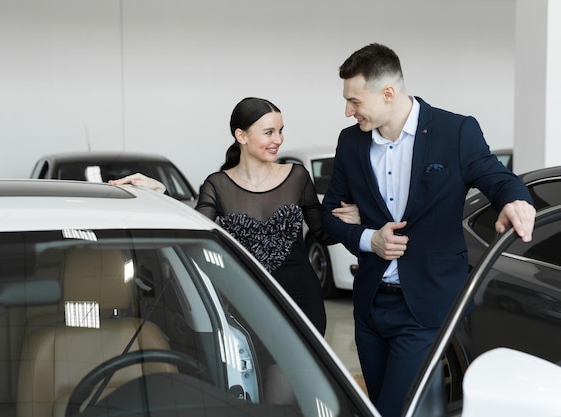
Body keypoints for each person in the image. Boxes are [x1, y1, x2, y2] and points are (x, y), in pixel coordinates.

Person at [320, 43, 535, 417]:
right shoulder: (350, 141)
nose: (347, 111)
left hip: (426, 305)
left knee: (394, 410)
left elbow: (496, 177)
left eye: (354, 101)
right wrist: (370, 238)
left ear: (388, 93)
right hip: (370, 305)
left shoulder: (455, 131)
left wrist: (516, 200)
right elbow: (330, 214)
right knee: (378, 404)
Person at [110, 97, 359, 335]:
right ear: (241, 136)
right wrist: (163, 193)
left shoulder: (297, 177)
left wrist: (353, 220)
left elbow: (323, 233)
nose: (278, 140)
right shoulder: (218, 185)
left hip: (302, 298)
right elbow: (193, 233)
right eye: (269, 132)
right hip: (246, 300)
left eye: (280, 130)